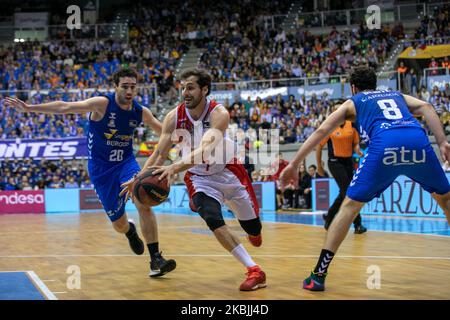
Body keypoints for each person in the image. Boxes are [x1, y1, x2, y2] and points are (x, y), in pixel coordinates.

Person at [280, 66, 450, 291]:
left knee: (349, 207)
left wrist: (293, 164)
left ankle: (318, 275)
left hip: (385, 146)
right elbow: (427, 107)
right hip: (417, 142)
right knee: (445, 199)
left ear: (353, 87)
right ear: (375, 84)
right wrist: (442, 142)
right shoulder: (395, 95)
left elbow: (321, 131)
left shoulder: (353, 102)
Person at [4, 68, 176, 278]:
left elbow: (164, 133)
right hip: (101, 170)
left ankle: (156, 259)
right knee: (119, 225)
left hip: (125, 164)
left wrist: (180, 144)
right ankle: (130, 232)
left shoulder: (140, 112)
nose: (129, 90)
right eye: (125, 86)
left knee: (143, 201)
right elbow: (65, 106)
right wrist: (30, 108)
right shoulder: (102, 104)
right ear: (116, 86)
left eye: (133, 86)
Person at [121, 68, 266, 291]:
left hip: (230, 173)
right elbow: (160, 154)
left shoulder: (219, 114)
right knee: (211, 217)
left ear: (204, 89)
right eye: (182, 87)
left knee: (254, 229)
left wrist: (175, 167)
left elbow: (206, 148)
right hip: (200, 179)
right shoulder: (173, 117)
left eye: (190, 87)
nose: (185, 92)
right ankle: (254, 270)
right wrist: (137, 178)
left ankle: (253, 233)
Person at [316, 119, 367, 233]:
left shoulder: (352, 125)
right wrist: (319, 166)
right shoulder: (330, 126)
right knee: (349, 193)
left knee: (346, 193)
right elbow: (319, 146)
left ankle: (329, 217)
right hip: (335, 162)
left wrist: (357, 150)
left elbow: (355, 143)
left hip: (348, 162)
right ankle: (357, 225)